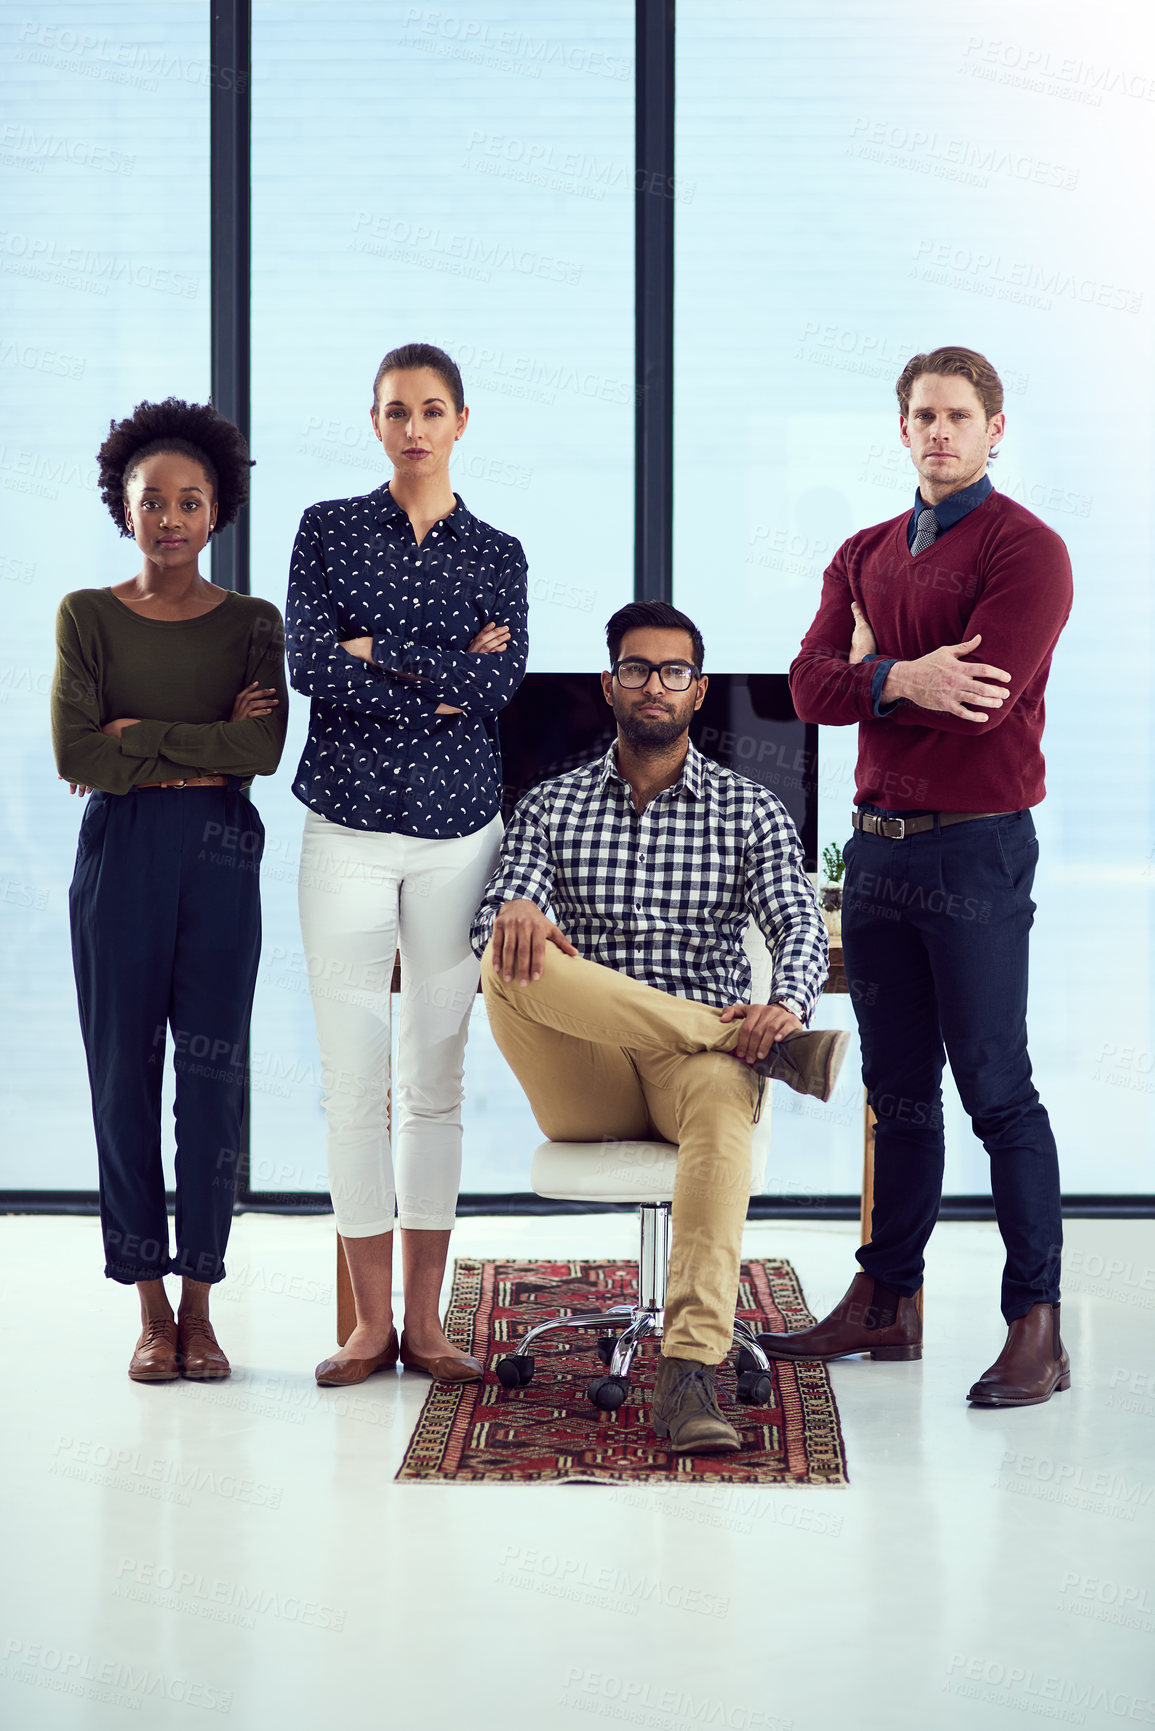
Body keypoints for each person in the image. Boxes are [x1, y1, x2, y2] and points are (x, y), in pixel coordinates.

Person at [765, 346, 1073, 1407]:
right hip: (878, 853)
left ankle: (1037, 1323)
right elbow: (807, 687)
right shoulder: (861, 552)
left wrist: (875, 672)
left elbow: (983, 694)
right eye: (922, 415)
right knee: (897, 1095)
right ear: (901, 431)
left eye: (959, 415)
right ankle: (887, 1301)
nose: (939, 432)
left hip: (976, 848)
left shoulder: (1029, 550)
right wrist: (904, 673)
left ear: (995, 429)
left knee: (996, 1089)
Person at [471, 600, 846, 1453]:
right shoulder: (549, 805)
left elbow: (795, 924)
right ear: (609, 684)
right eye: (635, 668)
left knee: (722, 1104)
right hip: (588, 1068)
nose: (653, 685)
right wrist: (518, 911)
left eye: (672, 671)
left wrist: (784, 1005)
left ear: (698, 690)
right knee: (505, 948)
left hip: (696, 1072)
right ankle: (752, 1046)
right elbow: (492, 923)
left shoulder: (748, 810)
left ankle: (687, 1370)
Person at [288, 342, 528, 1388]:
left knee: (436, 1079)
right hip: (343, 826)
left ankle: (426, 1328)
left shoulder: (499, 550)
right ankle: (364, 1329)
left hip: (459, 836)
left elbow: (501, 685)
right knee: (353, 1083)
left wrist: (372, 654)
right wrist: (435, 675)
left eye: (434, 410)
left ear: (462, 422)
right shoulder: (327, 530)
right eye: (397, 410)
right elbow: (305, 663)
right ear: (374, 421)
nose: (415, 427)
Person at [51, 397, 287, 1383]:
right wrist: (189, 751)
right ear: (125, 507)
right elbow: (71, 753)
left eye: (191, 501)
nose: (172, 518)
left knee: (213, 1079)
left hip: (221, 852)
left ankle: (202, 1300)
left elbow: (262, 750)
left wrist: (133, 737)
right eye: (153, 500)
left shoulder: (252, 624)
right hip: (121, 858)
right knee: (122, 1076)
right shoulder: (87, 615)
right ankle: (148, 1309)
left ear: (218, 510)